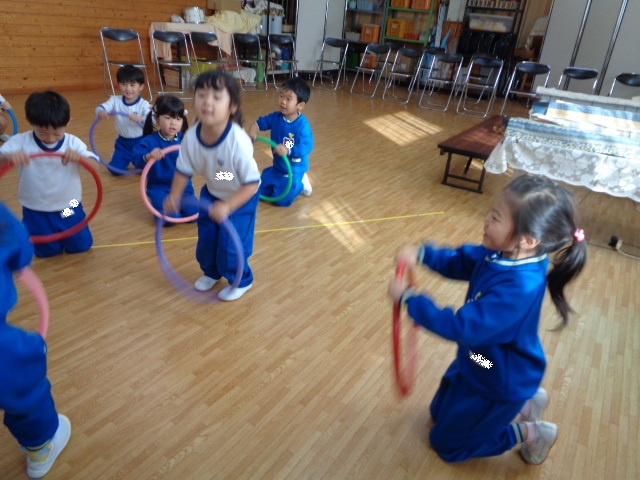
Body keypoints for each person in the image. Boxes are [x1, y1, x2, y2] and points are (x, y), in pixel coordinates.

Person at [388, 175, 587, 465]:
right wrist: (423, 254)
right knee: (437, 413)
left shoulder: (519, 288)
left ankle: (531, 432)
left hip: (500, 377)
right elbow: (462, 260)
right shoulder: (505, 252)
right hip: (480, 359)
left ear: (528, 239)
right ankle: (528, 402)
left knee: (445, 444)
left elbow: (461, 327)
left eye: (495, 218)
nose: (485, 220)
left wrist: (410, 299)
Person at [163, 71, 260, 302]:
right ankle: (212, 272)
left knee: (231, 245)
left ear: (232, 106)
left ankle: (242, 280)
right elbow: (183, 169)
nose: (207, 101)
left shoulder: (237, 141)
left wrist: (228, 205)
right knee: (207, 239)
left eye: (217, 97)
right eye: (201, 95)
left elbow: (252, 183)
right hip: (213, 189)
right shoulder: (190, 137)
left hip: (240, 196)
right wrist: (174, 195)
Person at [0, 202, 71, 478]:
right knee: (45, 240)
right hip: (36, 208)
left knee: (78, 233)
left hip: (67, 203)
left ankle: (68, 227)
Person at [0, 91, 98, 258]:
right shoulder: (20, 142)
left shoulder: (73, 143)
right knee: (45, 252)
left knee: (82, 245)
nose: (50, 139)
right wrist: (7, 157)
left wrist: (80, 158)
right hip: (35, 208)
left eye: (57, 134)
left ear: (68, 121)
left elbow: (95, 167)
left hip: (70, 205)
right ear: (29, 121)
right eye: (42, 133)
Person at [247, 76, 313, 206]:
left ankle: (301, 182)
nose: (282, 101)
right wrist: (253, 128)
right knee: (259, 191)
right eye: (281, 96)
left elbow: (307, 145)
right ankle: (277, 179)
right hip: (278, 167)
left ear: (300, 105)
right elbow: (260, 122)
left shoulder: (302, 126)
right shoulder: (276, 117)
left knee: (281, 200)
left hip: (294, 170)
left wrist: (288, 150)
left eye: (288, 99)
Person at [133, 95, 198, 223]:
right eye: (168, 118)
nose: (173, 123)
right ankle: (165, 207)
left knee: (195, 213)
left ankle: (179, 205)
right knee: (171, 219)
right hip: (159, 188)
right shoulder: (149, 141)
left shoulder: (186, 139)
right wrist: (148, 156)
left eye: (178, 119)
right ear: (157, 118)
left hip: (184, 188)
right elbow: (136, 159)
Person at [95, 65, 151, 175]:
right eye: (124, 84)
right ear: (119, 85)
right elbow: (100, 107)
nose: (128, 88)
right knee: (114, 170)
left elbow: (152, 119)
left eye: (132, 85)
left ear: (141, 87)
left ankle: (136, 159)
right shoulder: (115, 100)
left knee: (148, 170)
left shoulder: (143, 104)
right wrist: (101, 111)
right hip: (123, 143)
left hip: (140, 143)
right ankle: (119, 156)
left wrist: (141, 119)